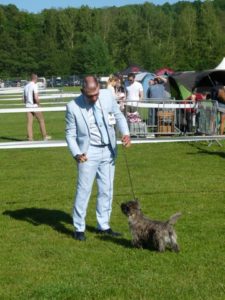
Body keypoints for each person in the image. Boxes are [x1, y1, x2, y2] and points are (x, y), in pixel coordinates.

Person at [65, 75, 131, 241]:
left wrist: (126, 133)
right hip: (88, 153)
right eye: (90, 95)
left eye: (96, 94)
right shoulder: (73, 107)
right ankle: (79, 228)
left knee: (106, 190)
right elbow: (70, 134)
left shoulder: (108, 96)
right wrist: (76, 153)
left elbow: (119, 116)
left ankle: (104, 225)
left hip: (108, 150)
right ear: (82, 91)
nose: (94, 98)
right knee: (84, 191)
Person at [23, 74, 51, 141]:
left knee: (29, 123)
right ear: (35, 79)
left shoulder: (26, 86)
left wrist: (27, 103)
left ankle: (30, 138)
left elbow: (24, 99)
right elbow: (36, 97)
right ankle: (44, 136)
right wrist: (39, 105)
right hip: (35, 106)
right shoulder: (34, 85)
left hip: (28, 106)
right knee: (41, 120)